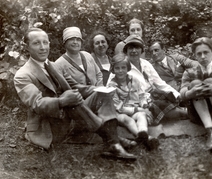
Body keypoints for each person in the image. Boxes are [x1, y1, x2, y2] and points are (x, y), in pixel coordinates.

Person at [14, 27, 137, 159]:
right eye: (36, 43)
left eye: (45, 42)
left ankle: (114, 143)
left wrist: (102, 90)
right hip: (50, 126)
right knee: (72, 100)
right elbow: (37, 104)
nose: (43, 47)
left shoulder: (53, 65)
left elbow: (74, 86)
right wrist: (62, 101)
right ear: (26, 47)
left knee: (102, 94)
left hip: (72, 115)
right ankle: (114, 139)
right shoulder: (23, 75)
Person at [120, 34, 188, 125]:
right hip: (137, 102)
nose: (134, 51)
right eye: (130, 48)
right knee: (162, 106)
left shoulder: (146, 64)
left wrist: (177, 94)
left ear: (141, 50)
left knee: (171, 96)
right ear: (126, 51)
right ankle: (188, 114)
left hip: (152, 96)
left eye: (137, 48)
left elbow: (160, 83)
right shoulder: (122, 67)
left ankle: (185, 111)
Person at [108, 53, 159, 150]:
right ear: (113, 70)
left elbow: (141, 95)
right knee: (127, 119)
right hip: (120, 112)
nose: (120, 71)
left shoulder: (135, 80)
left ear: (128, 68)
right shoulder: (112, 85)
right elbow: (119, 108)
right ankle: (146, 138)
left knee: (142, 115)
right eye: (117, 68)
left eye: (123, 67)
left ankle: (142, 133)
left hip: (136, 110)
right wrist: (139, 109)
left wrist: (144, 105)